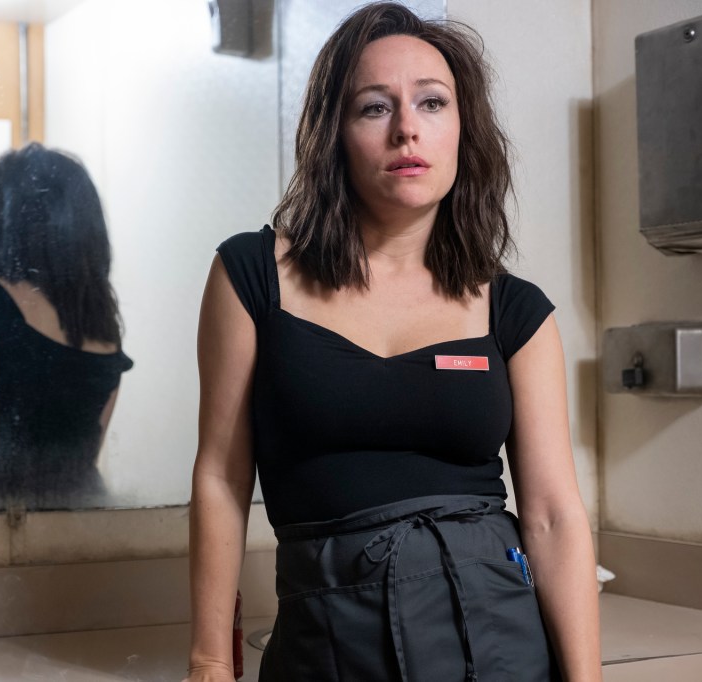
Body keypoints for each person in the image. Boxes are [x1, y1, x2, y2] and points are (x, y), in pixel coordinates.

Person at [186, 3, 601, 681]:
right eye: (375, 107)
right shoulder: (252, 275)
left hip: (498, 643)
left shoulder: (514, 310)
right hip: (326, 645)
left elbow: (554, 517)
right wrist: (209, 661)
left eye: (432, 103)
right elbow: (221, 479)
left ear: (463, 130)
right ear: (335, 133)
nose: (407, 128)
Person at [0, 143, 133, 512]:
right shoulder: (101, 321)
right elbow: (87, 453)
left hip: (5, 519)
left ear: (5, 218)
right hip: (86, 514)